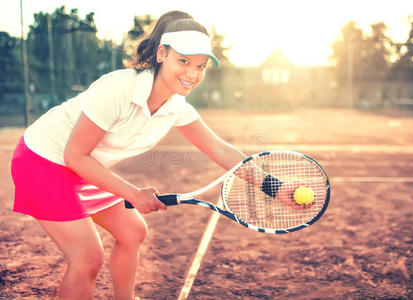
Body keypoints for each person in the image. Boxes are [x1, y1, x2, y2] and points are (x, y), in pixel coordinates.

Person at [10, 10, 246, 300]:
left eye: (200, 66)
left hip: (82, 167)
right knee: (87, 258)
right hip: (42, 161)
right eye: (183, 61)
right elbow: (75, 155)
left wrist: (274, 186)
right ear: (162, 54)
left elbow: (220, 150)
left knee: (133, 231)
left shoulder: (177, 107)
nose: (192, 74)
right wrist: (133, 193)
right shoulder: (119, 88)